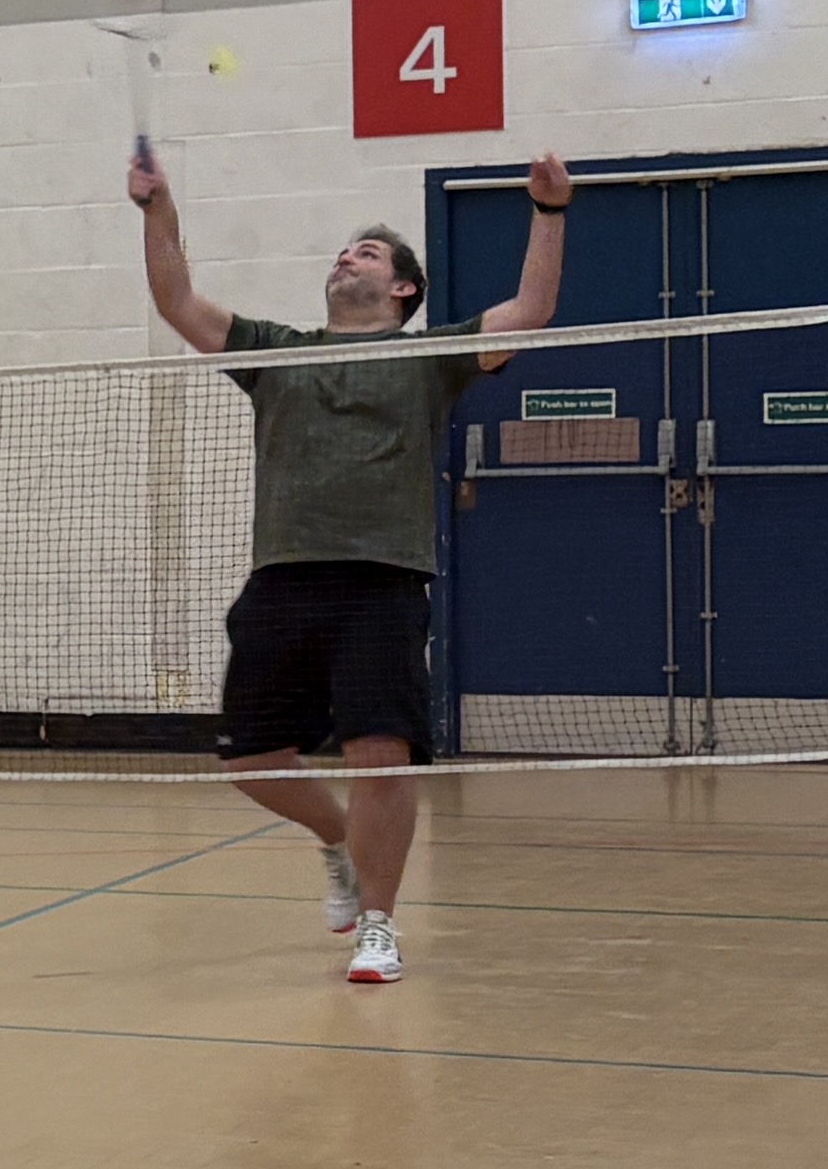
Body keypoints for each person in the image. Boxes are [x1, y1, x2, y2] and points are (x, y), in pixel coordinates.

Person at [131, 149, 571, 983]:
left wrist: (549, 211)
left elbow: (532, 310)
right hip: (283, 578)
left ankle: (378, 922)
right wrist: (159, 211)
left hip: (382, 580)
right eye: (343, 251)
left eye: (366, 253)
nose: (347, 258)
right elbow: (177, 301)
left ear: (402, 288)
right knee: (250, 760)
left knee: (381, 754)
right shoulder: (277, 353)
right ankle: (336, 838)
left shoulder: (432, 356)